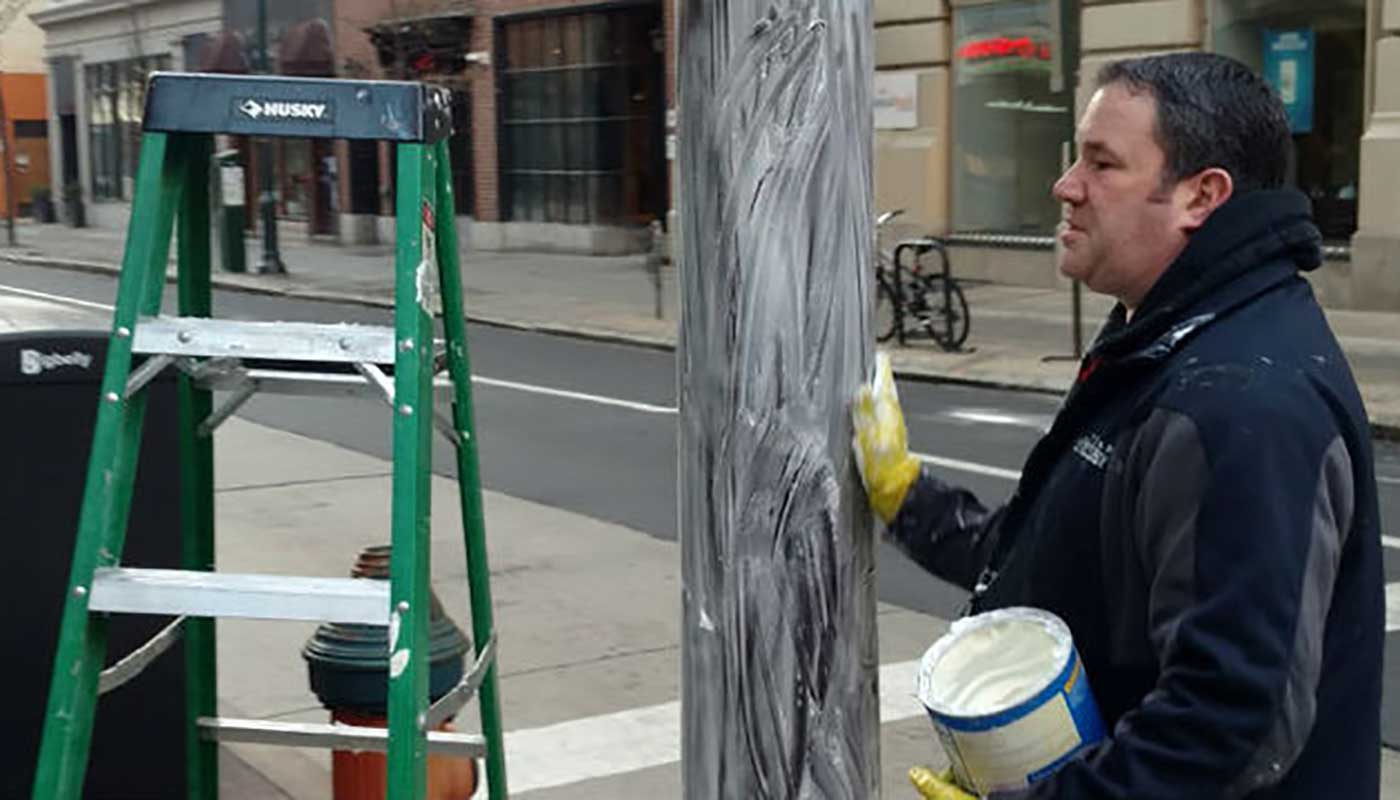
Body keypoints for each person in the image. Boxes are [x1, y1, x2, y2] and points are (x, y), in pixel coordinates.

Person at [852, 52, 1383, 799]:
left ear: (1201, 196)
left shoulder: (1238, 400)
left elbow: (1229, 725)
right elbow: (1062, 558)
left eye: (1102, 163)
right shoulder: (1169, 334)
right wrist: (906, 496)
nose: (1065, 185)